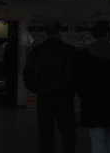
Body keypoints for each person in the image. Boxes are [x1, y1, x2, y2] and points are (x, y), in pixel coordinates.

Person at [75, 21, 110, 153]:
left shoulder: (84, 54)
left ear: (94, 35)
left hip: (93, 105)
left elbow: (79, 82)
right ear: (108, 33)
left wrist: (85, 97)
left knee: (97, 143)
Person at [23, 22, 77, 153]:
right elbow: (76, 75)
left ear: (46, 33)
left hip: (44, 97)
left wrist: (37, 89)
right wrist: (73, 90)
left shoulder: (37, 51)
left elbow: (28, 74)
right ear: (59, 32)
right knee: (68, 132)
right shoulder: (70, 51)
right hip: (65, 97)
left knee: (45, 132)